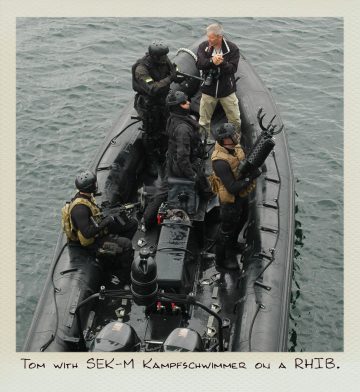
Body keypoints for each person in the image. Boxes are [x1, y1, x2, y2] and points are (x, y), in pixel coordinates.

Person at [62, 170, 137, 278]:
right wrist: (107, 221)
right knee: (127, 245)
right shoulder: (79, 209)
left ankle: (116, 253)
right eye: (94, 183)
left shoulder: (86, 197)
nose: (96, 185)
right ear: (89, 187)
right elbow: (87, 233)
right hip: (92, 245)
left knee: (132, 224)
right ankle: (123, 276)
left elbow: (94, 215)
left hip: (98, 232)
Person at [210, 123, 259, 270]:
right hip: (230, 200)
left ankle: (232, 245)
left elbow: (247, 160)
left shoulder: (236, 148)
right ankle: (220, 260)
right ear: (224, 140)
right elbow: (231, 188)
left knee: (243, 218)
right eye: (232, 136)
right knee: (225, 231)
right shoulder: (219, 161)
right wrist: (249, 179)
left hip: (241, 195)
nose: (236, 137)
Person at [132, 41, 178, 177]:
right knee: (150, 134)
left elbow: (171, 71)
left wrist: (176, 76)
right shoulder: (141, 69)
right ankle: (152, 161)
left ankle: (165, 154)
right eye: (162, 57)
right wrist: (170, 79)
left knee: (165, 128)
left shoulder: (164, 60)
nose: (165, 59)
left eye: (165, 56)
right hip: (148, 105)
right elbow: (152, 89)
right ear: (154, 56)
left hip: (163, 102)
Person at [196, 23, 241, 139]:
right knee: (203, 121)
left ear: (219, 37)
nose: (208, 40)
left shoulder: (233, 49)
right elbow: (199, 64)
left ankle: (235, 142)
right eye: (208, 37)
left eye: (211, 37)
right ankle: (203, 142)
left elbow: (233, 68)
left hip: (227, 90)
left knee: (235, 119)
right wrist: (212, 62)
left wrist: (222, 63)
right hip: (208, 90)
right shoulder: (203, 47)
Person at [166, 90, 213, 199]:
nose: (188, 103)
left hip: (172, 160)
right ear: (177, 107)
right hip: (180, 165)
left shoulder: (173, 118)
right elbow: (182, 158)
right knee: (204, 183)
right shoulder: (183, 129)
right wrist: (193, 175)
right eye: (183, 103)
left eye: (186, 101)